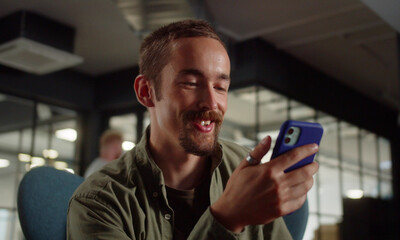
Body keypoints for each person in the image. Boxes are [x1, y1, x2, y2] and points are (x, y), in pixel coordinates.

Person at [67, 19, 319, 240]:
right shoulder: (97, 202)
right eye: (191, 83)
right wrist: (226, 219)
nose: (211, 103)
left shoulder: (245, 171)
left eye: (220, 87)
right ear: (146, 92)